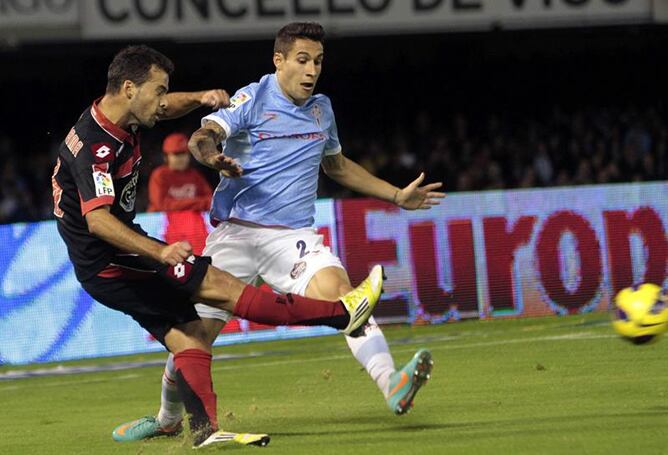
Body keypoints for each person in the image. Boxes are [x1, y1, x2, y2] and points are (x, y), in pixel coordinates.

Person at [113, 22, 442, 442]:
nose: (312, 71)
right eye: (302, 60)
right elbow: (202, 136)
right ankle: (167, 418)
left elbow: (337, 167)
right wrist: (213, 157)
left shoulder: (322, 109)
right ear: (279, 61)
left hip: (292, 237)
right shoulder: (252, 98)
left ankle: (391, 382)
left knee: (345, 297)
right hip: (236, 235)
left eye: (318, 62)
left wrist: (396, 195)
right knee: (193, 335)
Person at [51, 44, 384, 449]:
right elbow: (98, 220)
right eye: (158, 91)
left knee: (190, 334)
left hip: (107, 262)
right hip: (113, 258)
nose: (162, 102)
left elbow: (164, 108)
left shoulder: (120, 115)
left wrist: (198, 98)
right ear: (128, 88)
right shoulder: (96, 147)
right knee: (222, 288)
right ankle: (342, 314)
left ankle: (203, 430)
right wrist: (159, 252)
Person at [148, 132, 213, 253]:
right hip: (161, 228)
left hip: (193, 228)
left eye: (184, 154)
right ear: (166, 156)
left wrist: (178, 204)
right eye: (176, 154)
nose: (181, 158)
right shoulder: (160, 174)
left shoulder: (194, 175)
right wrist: (197, 203)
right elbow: (161, 205)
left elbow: (211, 201)